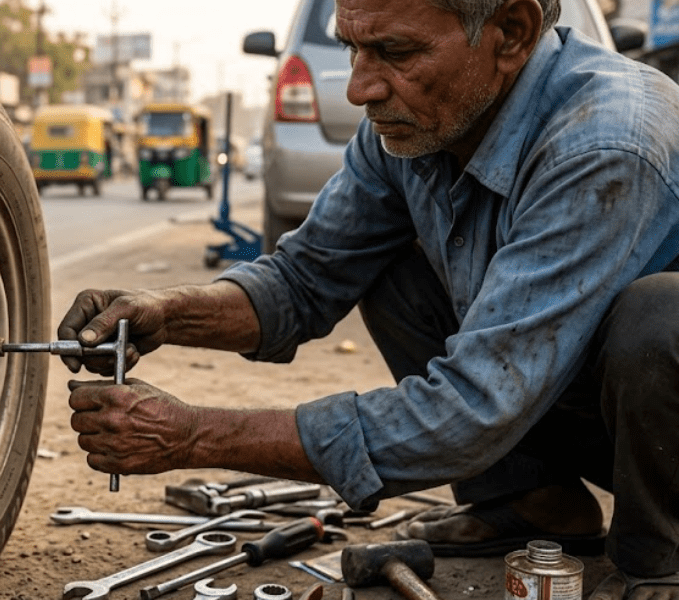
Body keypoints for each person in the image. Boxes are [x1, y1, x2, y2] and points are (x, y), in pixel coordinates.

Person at [57, 0, 679, 597]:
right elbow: (305, 278)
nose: (359, 88)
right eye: (353, 48)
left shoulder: (604, 146)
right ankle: (530, 500)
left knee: (658, 316)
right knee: (386, 262)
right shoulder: (422, 121)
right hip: (571, 395)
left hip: (658, 428)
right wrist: (167, 312)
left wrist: (195, 436)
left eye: (395, 52)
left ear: (511, 32)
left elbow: (471, 408)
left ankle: (660, 560)